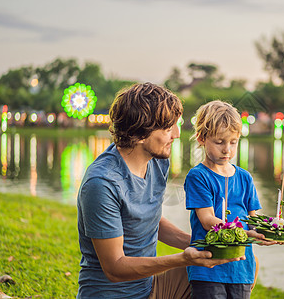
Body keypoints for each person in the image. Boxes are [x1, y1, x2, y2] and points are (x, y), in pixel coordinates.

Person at [76, 83, 244, 299]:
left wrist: (209, 245)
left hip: (150, 288)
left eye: (175, 125)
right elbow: (115, 268)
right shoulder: (102, 183)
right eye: (167, 128)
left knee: (240, 268)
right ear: (140, 134)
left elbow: (150, 221)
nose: (176, 134)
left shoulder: (157, 161)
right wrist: (185, 258)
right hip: (113, 294)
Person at [184, 100, 276, 299]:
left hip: (241, 266)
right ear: (201, 138)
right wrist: (238, 231)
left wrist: (267, 231)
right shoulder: (198, 176)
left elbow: (253, 220)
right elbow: (207, 220)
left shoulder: (245, 177)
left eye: (233, 142)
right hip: (208, 266)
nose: (227, 149)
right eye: (219, 142)